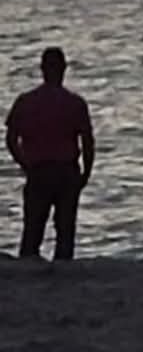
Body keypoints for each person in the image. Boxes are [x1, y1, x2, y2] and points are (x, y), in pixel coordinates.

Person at [5, 47, 95, 261]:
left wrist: (25, 164)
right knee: (65, 232)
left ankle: (29, 269)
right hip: (66, 172)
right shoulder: (75, 103)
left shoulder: (25, 102)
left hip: (38, 171)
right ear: (63, 69)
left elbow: (10, 139)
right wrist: (86, 173)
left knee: (32, 231)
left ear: (42, 69)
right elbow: (88, 141)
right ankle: (62, 270)